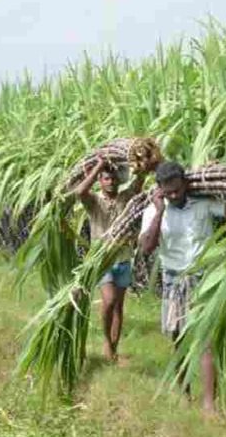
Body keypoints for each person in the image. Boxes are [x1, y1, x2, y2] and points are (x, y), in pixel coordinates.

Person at [139, 161, 226, 415]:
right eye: (169, 192)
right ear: (160, 190)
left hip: (202, 279)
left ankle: (210, 405)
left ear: (185, 184)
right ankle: (184, 394)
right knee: (179, 340)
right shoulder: (151, 213)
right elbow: (146, 247)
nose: (174, 196)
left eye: (178, 190)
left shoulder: (203, 204)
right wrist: (160, 211)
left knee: (207, 341)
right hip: (173, 281)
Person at [75, 155, 146, 363]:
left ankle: (114, 348)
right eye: (106, 178)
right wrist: (98, 166)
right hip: (102, 260)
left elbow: (140, 179)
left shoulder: (126, 197)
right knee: (109, 300)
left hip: (123, 258)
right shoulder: (94, 201)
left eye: (113, 178)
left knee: (118, 306)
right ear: (100, 180)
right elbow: (80, 191)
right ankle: (106, 340)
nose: (110, 182)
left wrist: (142, 161)